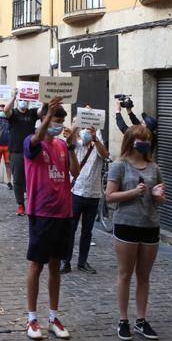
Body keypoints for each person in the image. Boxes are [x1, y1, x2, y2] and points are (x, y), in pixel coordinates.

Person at [22, 99, 80, 340]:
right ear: (45, 120)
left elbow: (75, 171)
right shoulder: (31, 142)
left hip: (63, 211)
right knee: (37, 264)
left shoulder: (61, 145)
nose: (59, 124)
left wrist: (73, 146)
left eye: (61, 120)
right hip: (41, 211)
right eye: (56, 119)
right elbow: (35, 141)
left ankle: (53, 316)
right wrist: (46, 118)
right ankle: (32, 318)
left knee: (56, 265)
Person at [106, 124, 165, 341]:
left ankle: (141, 319)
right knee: (125, 273)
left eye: (148, 139)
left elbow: (159, 197)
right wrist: (133, 192)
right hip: (126, 223)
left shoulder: (153, 167)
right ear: (131, 141)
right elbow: (109, 196)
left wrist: (158, 194)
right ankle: (123, 320)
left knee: (144, 275)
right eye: (141, 139)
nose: (145, 143)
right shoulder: (119, 165)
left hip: (149, 224)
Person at [61, 117, 109, 274]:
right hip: (76, 192)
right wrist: (77, 123)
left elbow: (105, 154)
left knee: (87, 231)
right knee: (70, 229)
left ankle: (82, 261)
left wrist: (95, 138)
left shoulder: (97, 144)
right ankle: (65, 261)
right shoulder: (75, 144)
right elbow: (70, 140)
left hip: (93, 194)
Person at [4, 94, 41, 216]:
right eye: (21, 100)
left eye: (26, 100)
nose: (23, 102)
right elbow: (6, 110)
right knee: (18, 179)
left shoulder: (32, 113)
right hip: (16, 151)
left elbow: (42, 112)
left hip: (31, 151)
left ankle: (32, 202)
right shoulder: (13, 114)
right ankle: (20, 204)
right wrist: (14, 97)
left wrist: (44, 98)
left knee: (32, 179)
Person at [0, 102, 13, 190]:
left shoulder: (10, 119)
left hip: (7, 146)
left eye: (3, 110)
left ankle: (9, 182)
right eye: (0, 110)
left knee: (8, 164)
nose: (2, 112)